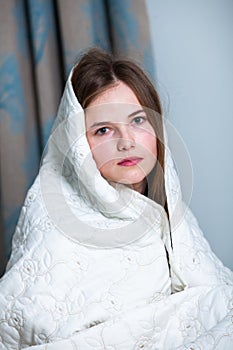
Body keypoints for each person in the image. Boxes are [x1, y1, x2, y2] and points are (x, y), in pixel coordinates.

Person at [0, 48, 232, 349]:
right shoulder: (55, 227)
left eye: (137, 120)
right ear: (79, 145)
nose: (126, 142)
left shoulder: (172, 215)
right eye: (104, 129)